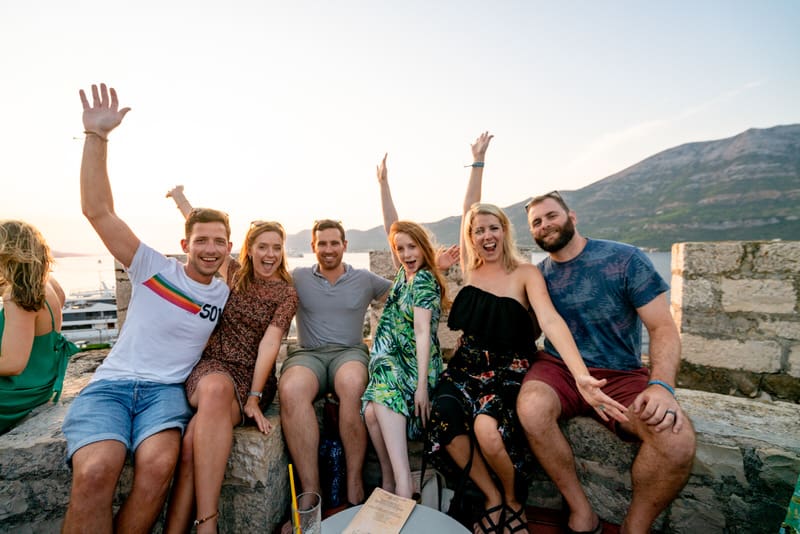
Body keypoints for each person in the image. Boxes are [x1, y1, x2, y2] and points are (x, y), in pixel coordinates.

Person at [427, 132, 626, 534]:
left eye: (493, 228)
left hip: (509, 370)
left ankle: (514, 499)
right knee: (443, 417)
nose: (486, 236)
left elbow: (550, 321)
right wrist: (477, 163)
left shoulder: (526, 274)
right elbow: (468, 209)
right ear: (471, 236)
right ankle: (492, 497)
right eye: (478, 230)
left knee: (487, 429)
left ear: (505, 231)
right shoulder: (471, 268)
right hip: (464, 368)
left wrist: (581, 376)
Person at [61, 84, 232, 534]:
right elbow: (98, 211)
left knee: (157, 466)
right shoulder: (152, 268)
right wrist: (96, 137)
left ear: (229, 248)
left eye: (219, 242)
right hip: (112, 387)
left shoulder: (224, 291)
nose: (210, 249)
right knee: (96, 469)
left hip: (165, 394)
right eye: (201, 240)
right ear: (184, 244)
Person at [518, 190, 697, 534]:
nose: (545, 225)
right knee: (531, 407)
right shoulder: (537, 277)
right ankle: (581, 511)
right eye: (536, 222)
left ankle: (635, 526)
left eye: (551, 215)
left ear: (572, 217)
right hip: (560, 370)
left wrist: (661, 386)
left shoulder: (625, 259)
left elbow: (662, 328)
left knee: (675, 439)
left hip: (620, 374)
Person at [163, 186, 299, 533]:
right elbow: (207, 236)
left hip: (252, 379)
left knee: (193, 441)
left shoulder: (286, 293)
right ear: (248, 249)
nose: (270, 254)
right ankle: (208, 523)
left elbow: (270, 344)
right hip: (212, 367)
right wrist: (180, 200)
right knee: (214, 389)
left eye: (277, 247)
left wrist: (254, 397)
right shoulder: (234, 273)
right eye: (262, 246)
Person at [278, 215, 392, 521]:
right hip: (309, 354)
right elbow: (256, 276)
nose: (328, 249)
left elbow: (404, 294)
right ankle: (310, 492)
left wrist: (437, 268)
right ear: (313, 246)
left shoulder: (364, 278)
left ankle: (354, 483)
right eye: (322, 244)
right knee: (290, 389)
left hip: (349, 353)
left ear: (345, 245)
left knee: (353, 384)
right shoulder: (298, 277)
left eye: (334, 243)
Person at [362, 154, 449, 499]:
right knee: (371, 413)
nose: (406, 253)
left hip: (411, 367)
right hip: (393, 362)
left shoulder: (423, 280)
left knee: (381, 397)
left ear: (424, 248)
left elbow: (423, 333)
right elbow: (392, 225)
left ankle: (400, 487)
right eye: (401, 249)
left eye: (413, 247)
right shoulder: (405, 272)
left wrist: (422, 388)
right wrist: (383, 184)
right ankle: (390, 477)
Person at [0, 220, 79, 434]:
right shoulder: (47, 283)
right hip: (41, 384)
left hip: (15, 395)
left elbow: (13, 364)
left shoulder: (17, 298)